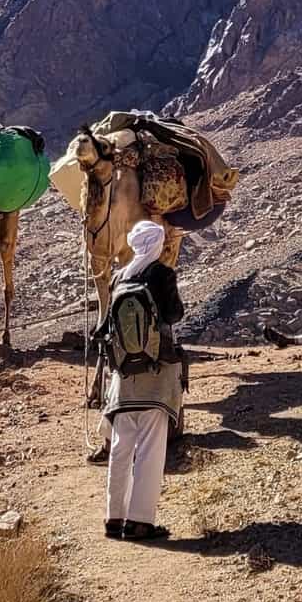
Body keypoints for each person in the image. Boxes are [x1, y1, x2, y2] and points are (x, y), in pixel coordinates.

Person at [100, 219, 186, 540]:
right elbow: (174, 314)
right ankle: (140, 522)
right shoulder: (161, 273)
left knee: (121, 447)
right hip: (156, 371)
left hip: (123, 376)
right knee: (150, 449)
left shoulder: (119, 276)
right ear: (158, 242)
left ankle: (114, 518)